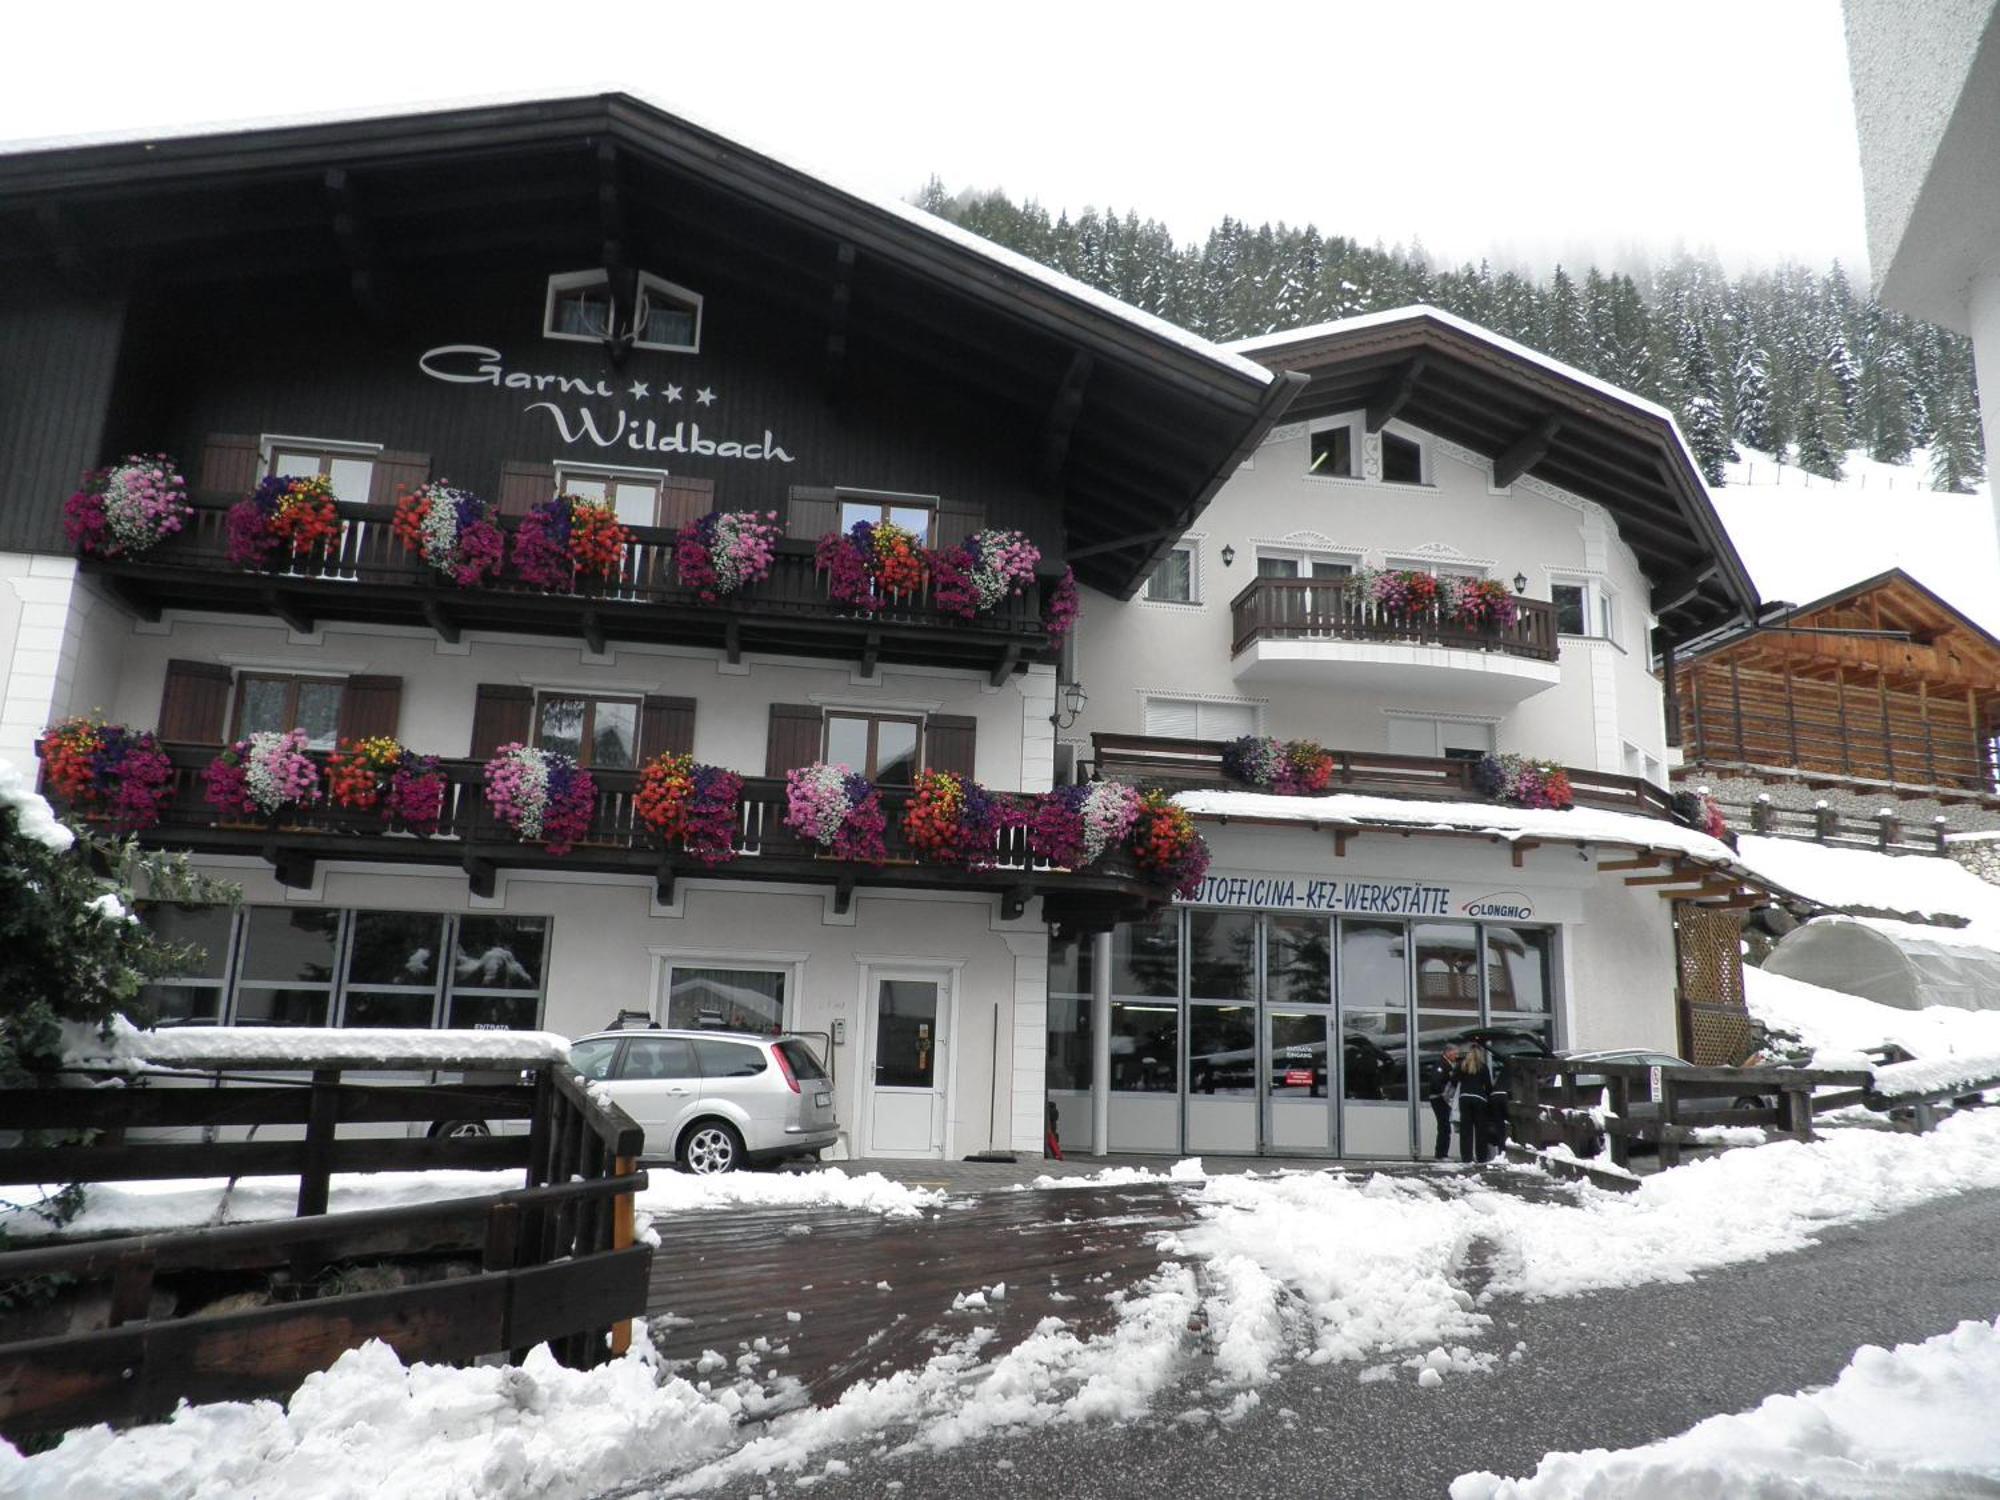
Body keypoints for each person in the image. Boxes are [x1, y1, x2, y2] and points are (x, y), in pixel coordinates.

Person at [1455, 1043, 1496, 1163]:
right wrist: (1489, 1099)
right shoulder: (1483, 1067)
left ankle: (1466, 1158)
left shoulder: (1462, 1066)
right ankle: (1481, 1157)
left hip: (1465, 1098)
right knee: (1480, 1130)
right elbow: (1488, 1086)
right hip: (1479, 1099)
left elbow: (1454, 1079)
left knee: (1466, 1130)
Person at [1424, 1044, 1461, 1160]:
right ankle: (1441, 1154)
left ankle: (1441, 1153)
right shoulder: (1441, 1065)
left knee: (1444, 1126)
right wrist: (1444, 1093)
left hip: (1442, 1099)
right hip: (1439, 1099)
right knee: (1444, 1126)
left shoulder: (1447, 1065)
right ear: (1448, 1053)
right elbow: (1436, 1081)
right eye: (1455, 1053)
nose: (1457, 1056)